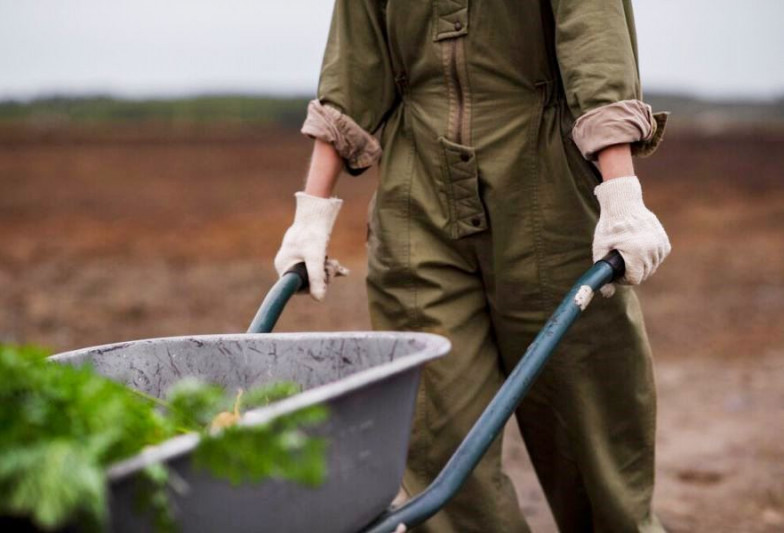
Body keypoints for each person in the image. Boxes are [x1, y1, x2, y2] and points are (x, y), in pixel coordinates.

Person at [274, 1, 671, 531]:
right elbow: (354, 64)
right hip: (416, 207)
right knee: (437, 437)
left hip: (548, 193)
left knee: (592, 433)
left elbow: (593, 43)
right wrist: (312, 214)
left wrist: (620, 193)